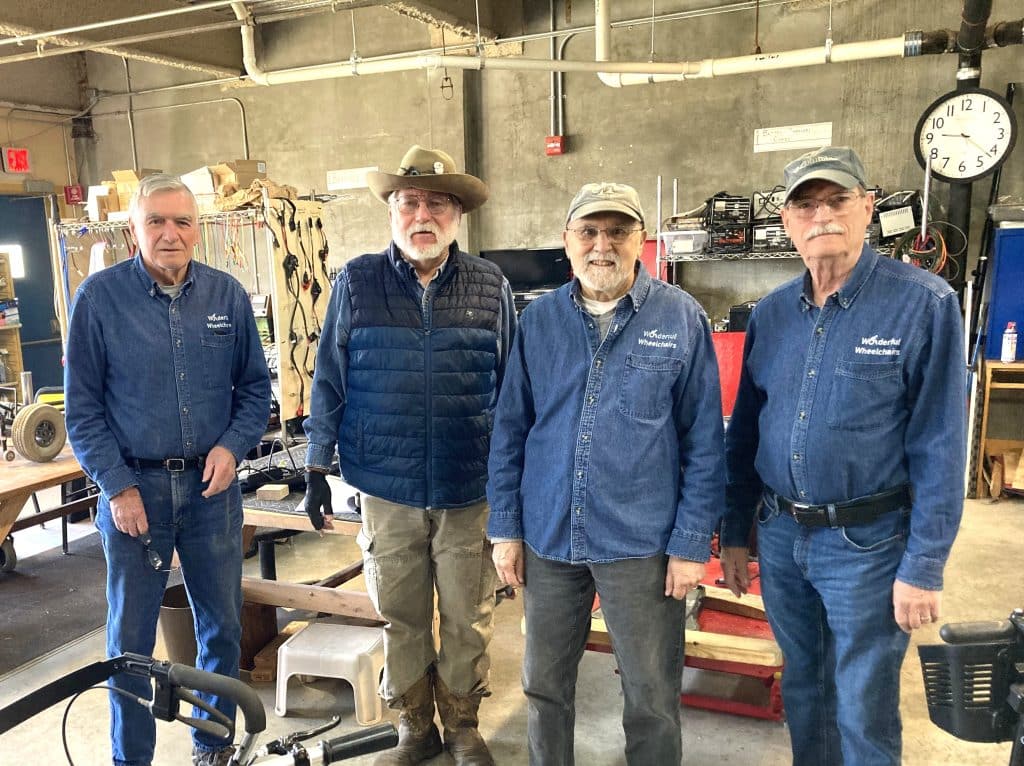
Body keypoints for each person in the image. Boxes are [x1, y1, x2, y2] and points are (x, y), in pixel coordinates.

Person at [720, 146, 966, 765]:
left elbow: (940, 444)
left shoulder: (923, 304)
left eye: (837, 200)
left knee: (863, 704)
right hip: (782, 536)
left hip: (869, 545)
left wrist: (924, 565)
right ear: (787, 220)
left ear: (868, 207)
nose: (822, 215)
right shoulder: (772, 314)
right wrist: (736, 532)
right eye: (806, 205)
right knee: (804, 689)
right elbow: (745, 433)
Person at [487, 182, 725, 765]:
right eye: (589, 232)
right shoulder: (538, 321)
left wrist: (691, 543)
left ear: (641, 240)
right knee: (544, 689)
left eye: (617, 232)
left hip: (641, 544)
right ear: (567, 241)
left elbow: (704, 441)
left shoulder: (681, 317)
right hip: (549, 537)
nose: (602, 245)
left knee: (651, 696)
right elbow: (510, 429)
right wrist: (506, 528)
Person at [302, 145, 515, 766]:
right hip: (385, 486)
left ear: (457, 215)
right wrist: (316, 465)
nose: (423, 215)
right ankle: (414, 727)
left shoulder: (489, 285)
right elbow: (329, 380)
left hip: (467, 483)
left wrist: (514, 479)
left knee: (469, 614)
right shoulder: (357, 282)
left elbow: (513, 390)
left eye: (437, 203)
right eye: (409, 202)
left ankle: (463, 725)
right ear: (391, 211)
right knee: (400, 613)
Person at [65, 174, 271, 766]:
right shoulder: (99, 301)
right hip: (135, 493)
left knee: (221, 629)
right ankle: (132, 759)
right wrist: (117, 487)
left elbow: (254, 391)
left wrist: (232, 447)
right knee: (130, 641)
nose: (170, 233)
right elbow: (82, 411)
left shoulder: (227, 296)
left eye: (182, 221)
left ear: (198, 230)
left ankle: (212, 746)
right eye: (155, 221)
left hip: (212, 491)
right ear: (134, 230)